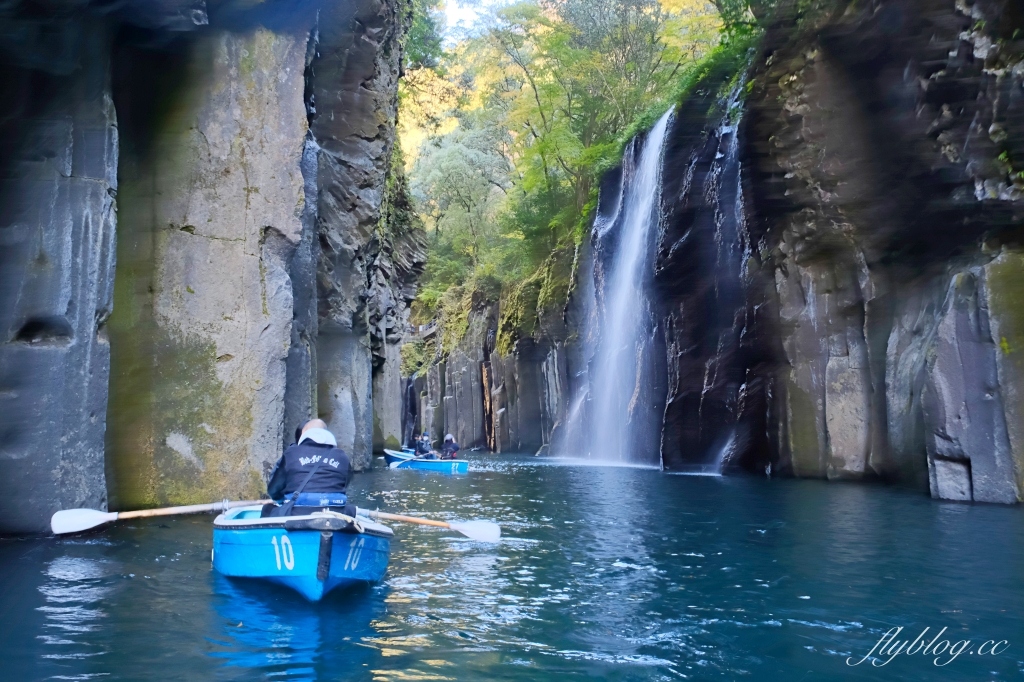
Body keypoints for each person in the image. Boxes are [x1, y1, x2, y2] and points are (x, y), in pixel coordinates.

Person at [263, 419, 353, 517]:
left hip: (296, 512)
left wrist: (281, 500)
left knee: (267, 509)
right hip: (336, 512)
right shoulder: (342, 456)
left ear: (304, 433)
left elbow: (273, 490)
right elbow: (345, 484)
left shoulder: (291, 453)